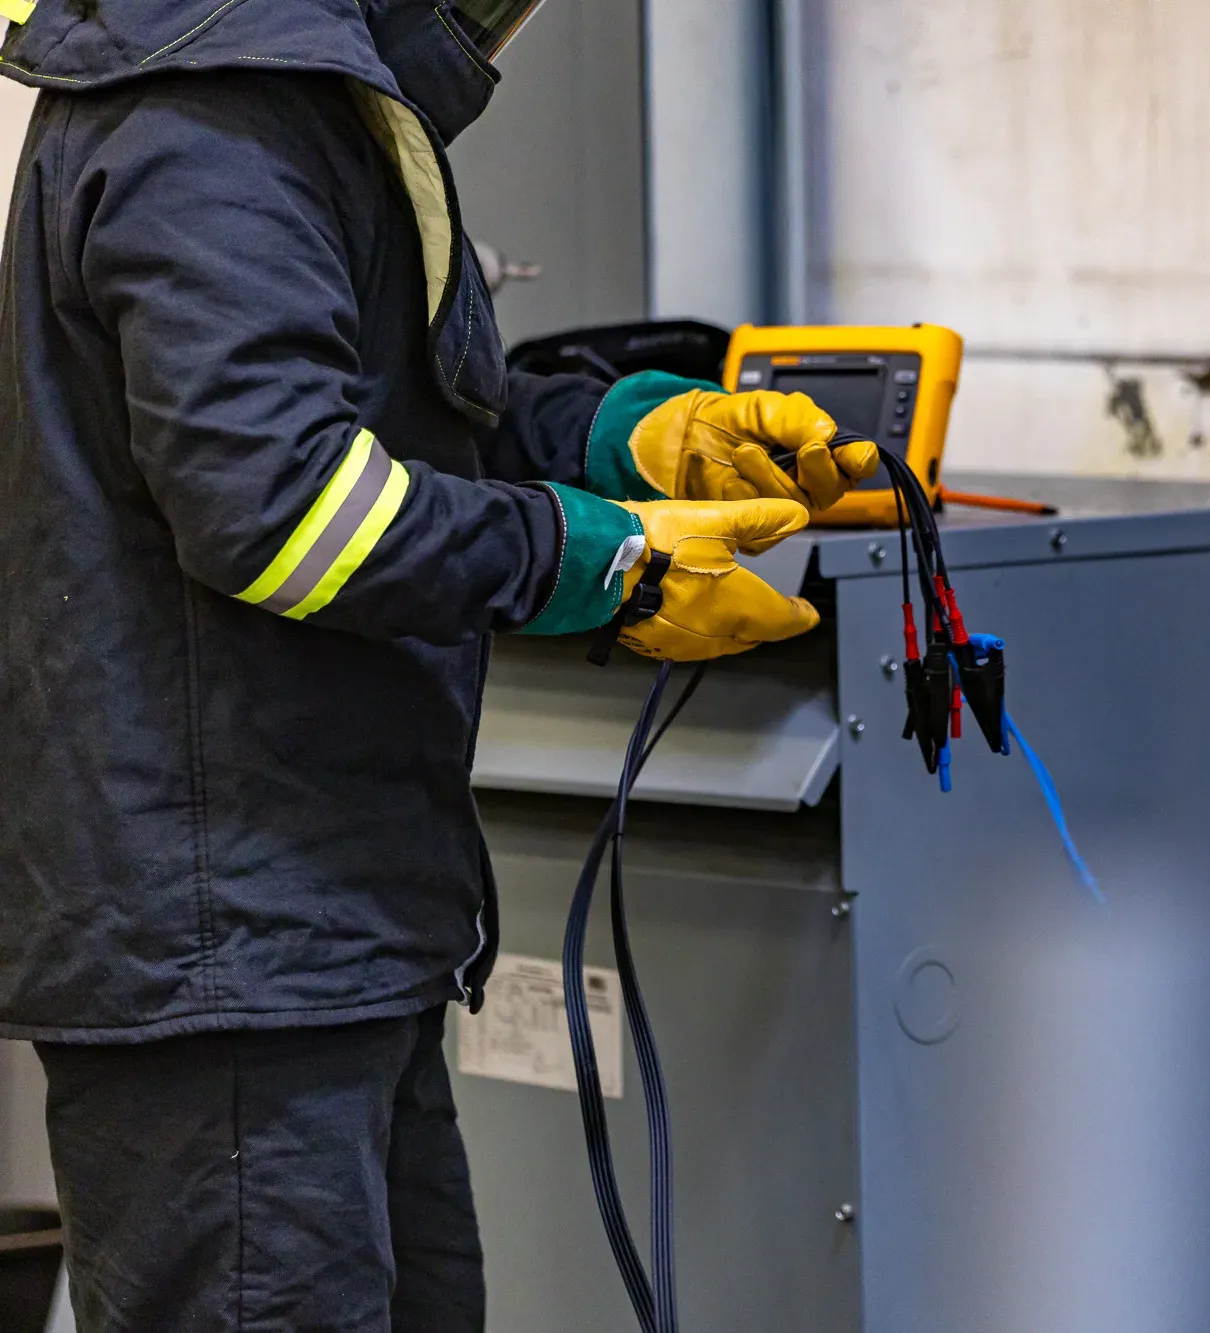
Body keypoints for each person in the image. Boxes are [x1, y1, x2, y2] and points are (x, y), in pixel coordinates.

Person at [0, 1, 876, 1328]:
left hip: (318, 924)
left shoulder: (292, 93)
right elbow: (285, 511)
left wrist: (624, 442)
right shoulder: (217, 111)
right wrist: (601, 561)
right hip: (235, 952)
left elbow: (397, 419)